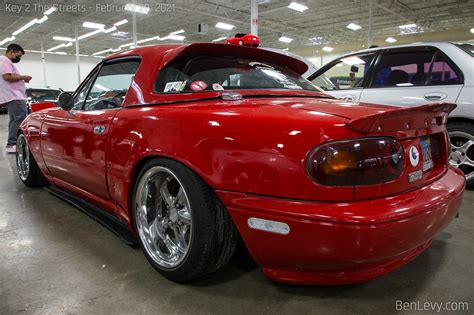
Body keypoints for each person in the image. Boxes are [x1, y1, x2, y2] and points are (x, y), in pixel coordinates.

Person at [0, 43, 31, 154]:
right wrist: (23, 77)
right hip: (15, 96)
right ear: (12, 51)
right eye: (18, 55)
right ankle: (12, 144)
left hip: (14, 96)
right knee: (19, 119)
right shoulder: (5, 61)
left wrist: (21, 79)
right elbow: (6, 76)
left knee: (14, 120)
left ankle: (12, 143)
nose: (18, 58)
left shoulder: (4, 61)